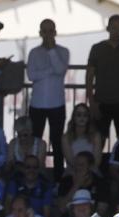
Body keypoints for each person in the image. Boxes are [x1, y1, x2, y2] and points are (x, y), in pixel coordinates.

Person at [85, 14, 119, 143]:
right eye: (114, 27)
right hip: (101, 102)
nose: (117, 31)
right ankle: (96, 163)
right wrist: (92, 103)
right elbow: (89, 78)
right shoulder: (97, 49)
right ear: (108, 28)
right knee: (98, 140)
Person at [26, 19, 69, 176]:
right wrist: (49, 70)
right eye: (44, 31)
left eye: (51, 30)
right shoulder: (33, 52)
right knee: (35, 141)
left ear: (55, 32)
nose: (48, 34)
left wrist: (51, 51)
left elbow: (60, 70)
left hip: (57, 104)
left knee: (57, 142)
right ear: (40, 33)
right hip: (37, 104)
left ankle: (58, 177)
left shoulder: (63, 51)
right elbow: (31, 75)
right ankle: (35, 175)